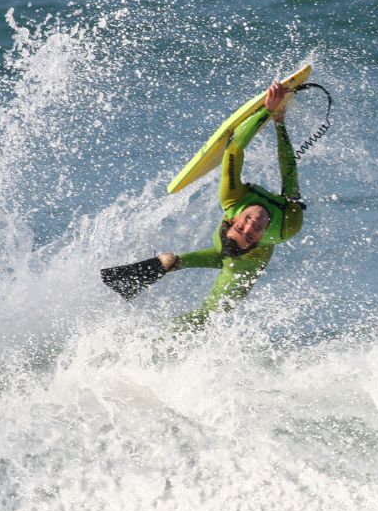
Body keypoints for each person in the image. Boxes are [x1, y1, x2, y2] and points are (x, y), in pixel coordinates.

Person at [100, 80, 305, 328]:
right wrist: (277, 118)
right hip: (232, 259)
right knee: (209, 315)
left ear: (231, 221)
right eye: (251, 235)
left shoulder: (233, 200)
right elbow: (289, 173)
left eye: (242, 230)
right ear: (259, 240)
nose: (252, 226)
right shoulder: (286, 225)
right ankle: (154, 323)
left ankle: (162, 281)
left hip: (234, 259)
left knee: (208, 311)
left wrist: (270, 111)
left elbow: (234, 150)